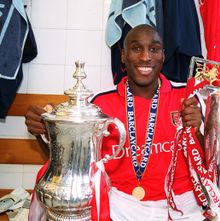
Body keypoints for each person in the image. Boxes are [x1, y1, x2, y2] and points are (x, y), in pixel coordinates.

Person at [25, 24, 205, 220]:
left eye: (154, 49)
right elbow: (68, 168)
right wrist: (46, 131)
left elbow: (211, 162)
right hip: (119, 205)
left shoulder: (187, 97)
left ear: (163, 55)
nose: (145, 57)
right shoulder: (100, 105)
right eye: (136, 48)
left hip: (181, 205)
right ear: (123, 56)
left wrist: (200, 130)